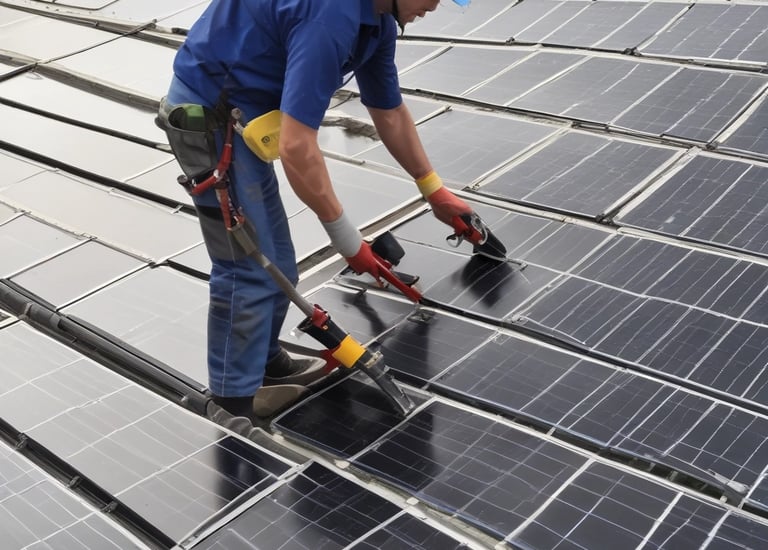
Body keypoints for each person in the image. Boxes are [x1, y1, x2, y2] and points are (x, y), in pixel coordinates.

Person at [158, 0, 475, 420]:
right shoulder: (329, 16)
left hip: (246, 115)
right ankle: (234, 399)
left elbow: (389, 109)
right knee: (251, 263)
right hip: (211, 118)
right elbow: (296, 145)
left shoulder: (376, 20)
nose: (435, 5)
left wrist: (433, 191)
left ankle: (265, 362)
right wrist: (347, 241)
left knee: (279, 263)